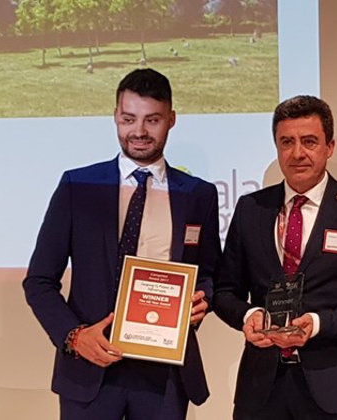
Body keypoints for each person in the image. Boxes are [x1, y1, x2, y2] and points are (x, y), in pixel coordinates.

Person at [22, 68, 220, 420]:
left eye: (152, 120)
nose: (139, 132)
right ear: (115, 116)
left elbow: (207, 274)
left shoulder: (198, 195)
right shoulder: (77, 186)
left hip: (165, 374)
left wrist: (201, 301)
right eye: (129, 119)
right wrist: (73, 336)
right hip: (90, 370)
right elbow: (39, 281)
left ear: (171, 120)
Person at [213, 95, 337, 419]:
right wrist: (248, 315)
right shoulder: (250, 209)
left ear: (330, 146)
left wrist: (320, 324)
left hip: (333, 389)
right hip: (260, 389)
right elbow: (225, 292)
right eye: (287, 142)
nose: (297, 153)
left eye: (309, 141)